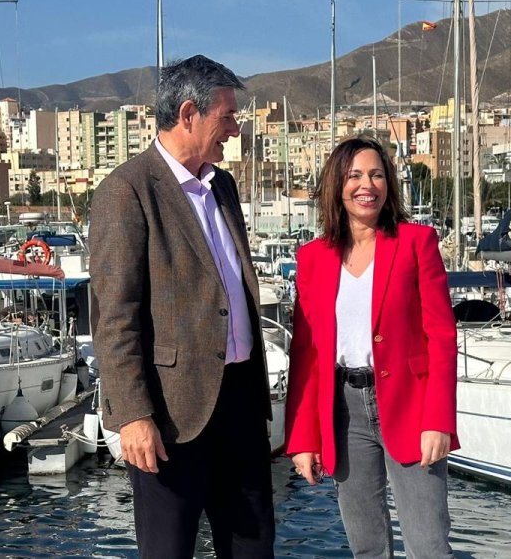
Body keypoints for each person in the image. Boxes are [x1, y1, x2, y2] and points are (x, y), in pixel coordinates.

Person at [91, 55, 274, 559]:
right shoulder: (126, 192)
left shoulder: (224, 186)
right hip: (171, 415)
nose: (234, 130)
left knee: (254, 549)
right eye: (227, 117)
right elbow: (114, 318)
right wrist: (132, 416)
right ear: (189, 113)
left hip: (239, 402)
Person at [286, 136, 459, 558]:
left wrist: (438, 420)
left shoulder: (417, 243)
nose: (368, 185)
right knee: (366, 548)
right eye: (355, 175)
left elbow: (442, 337)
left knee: (429, 546)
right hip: (345, 413)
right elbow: (306, 356)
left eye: (377, 174)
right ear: (337, 186)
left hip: (411, 405)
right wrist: (302, 439)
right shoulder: (312, 258)